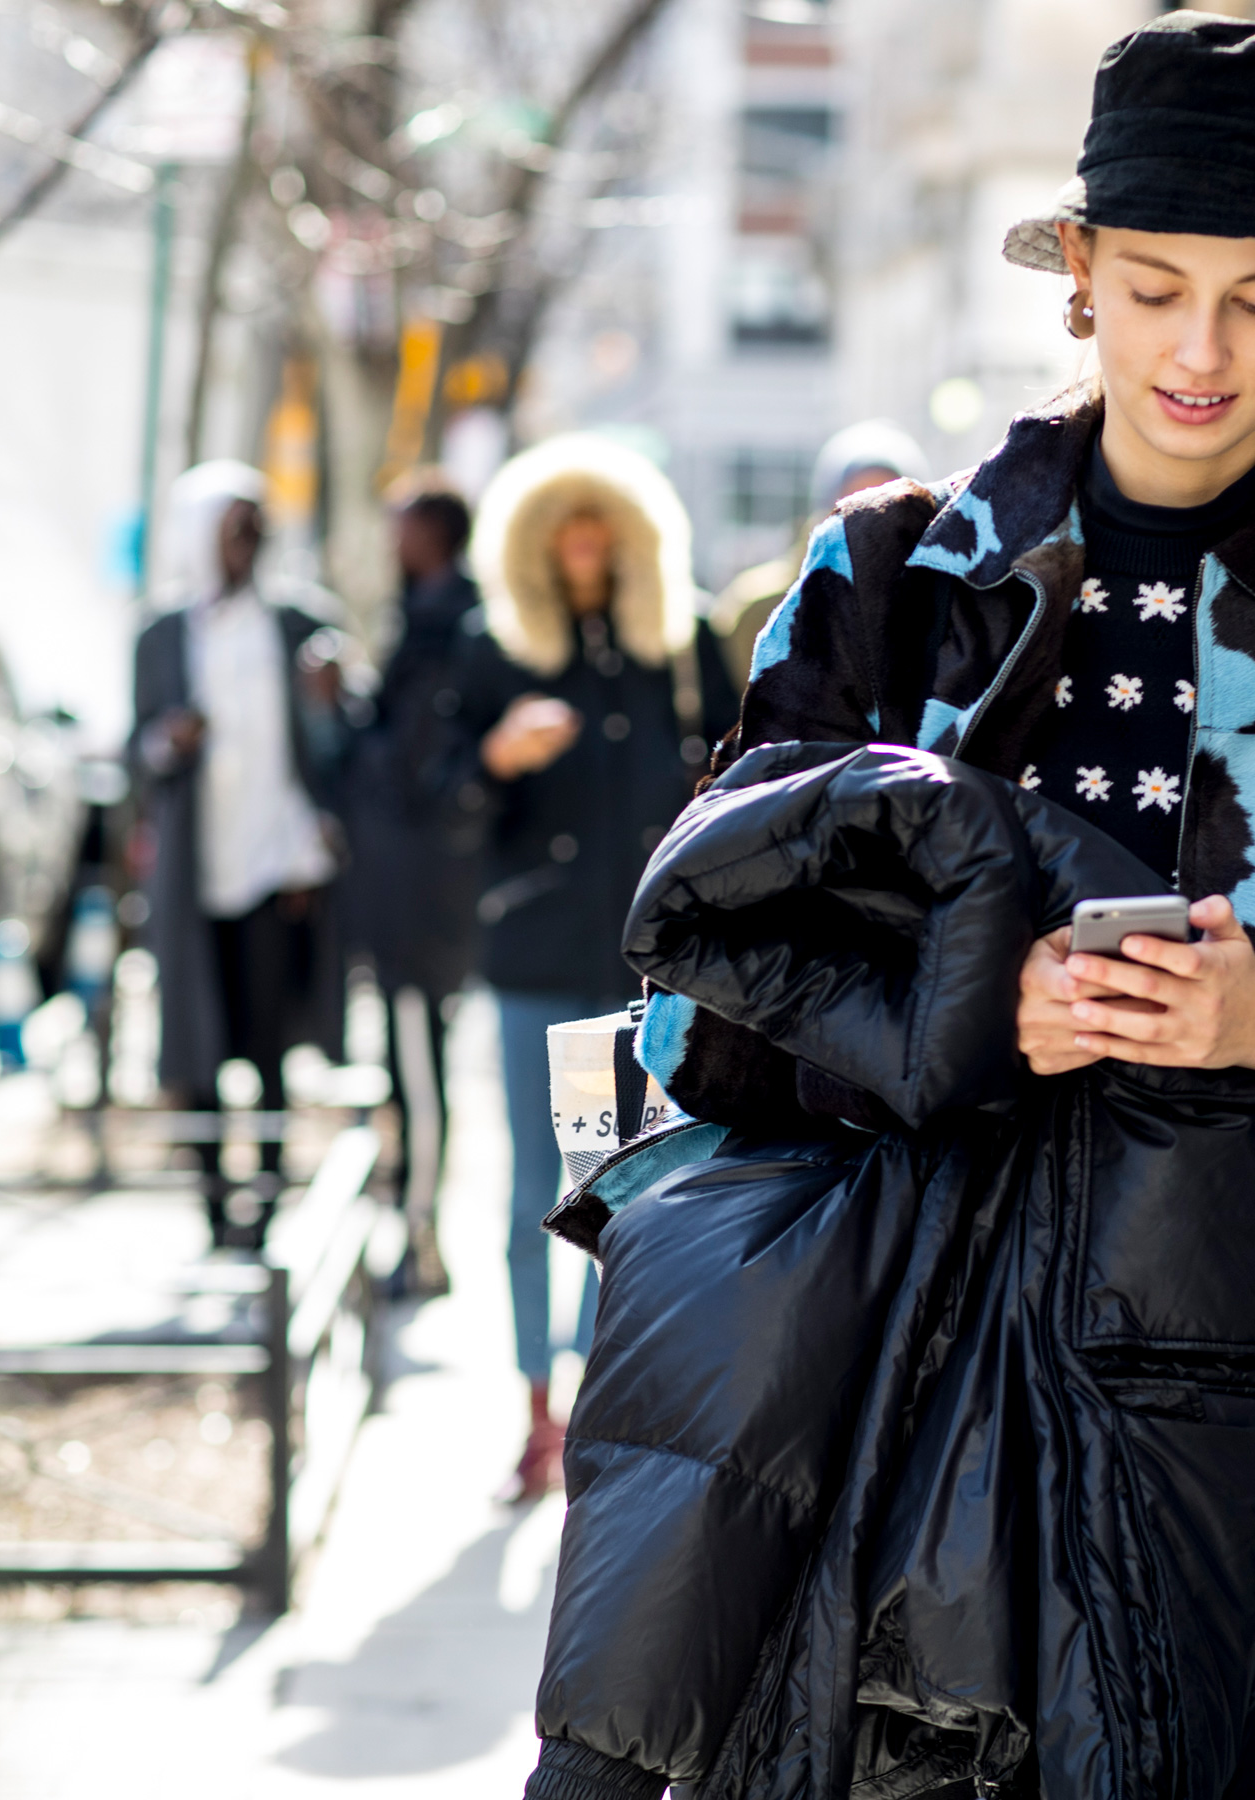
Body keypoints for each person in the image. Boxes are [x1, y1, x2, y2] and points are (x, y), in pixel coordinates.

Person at [633, 16, 1255, 1793]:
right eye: (1153, 288)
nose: (1201, 350)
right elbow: (697, 1010)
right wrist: (965, 1026)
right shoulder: (888, 582)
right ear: (1077, 276)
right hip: (903, 1393)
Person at [448, 433, 737, 1504]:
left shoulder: (678, 643)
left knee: (621, 1191)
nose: (582, 546)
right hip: (537, 958)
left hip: (644, 966)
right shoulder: (497, 650)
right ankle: (534, 1407)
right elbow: (438, 798)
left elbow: (738, 778)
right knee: (535, 1190)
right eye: (563, 527)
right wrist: (496, 758)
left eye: (599, 525)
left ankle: (595, 1401)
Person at [132, 462, 350, 1252]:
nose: (247, 546)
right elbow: (137, 750)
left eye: (257, 529)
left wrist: (331, 698)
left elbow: (334, 744)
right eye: (234, 529)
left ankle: (264, 1199)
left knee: (265, 1043)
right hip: (194, 874)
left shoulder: (297, 624)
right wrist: (165, 743)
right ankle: (212, 1207)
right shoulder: (160, 635)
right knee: (197, 1042)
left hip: (276, 869)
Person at [342, 486, 484, 1292]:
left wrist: (344, 714)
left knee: (420, 1071)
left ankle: (423, 1242)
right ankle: (418, 1234)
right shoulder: (437, 619)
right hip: (418, 895)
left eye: (400, 529)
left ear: (430, 536)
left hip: (417, 900)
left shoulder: (444, 629)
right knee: (414, 1068)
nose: (390, 543)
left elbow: (407, 767)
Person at [703, 417, 929, 687]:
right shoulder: (762, 608)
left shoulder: (942, 604)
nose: (873, 521)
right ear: (828, 509)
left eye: (890, 506)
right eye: (858, 503)